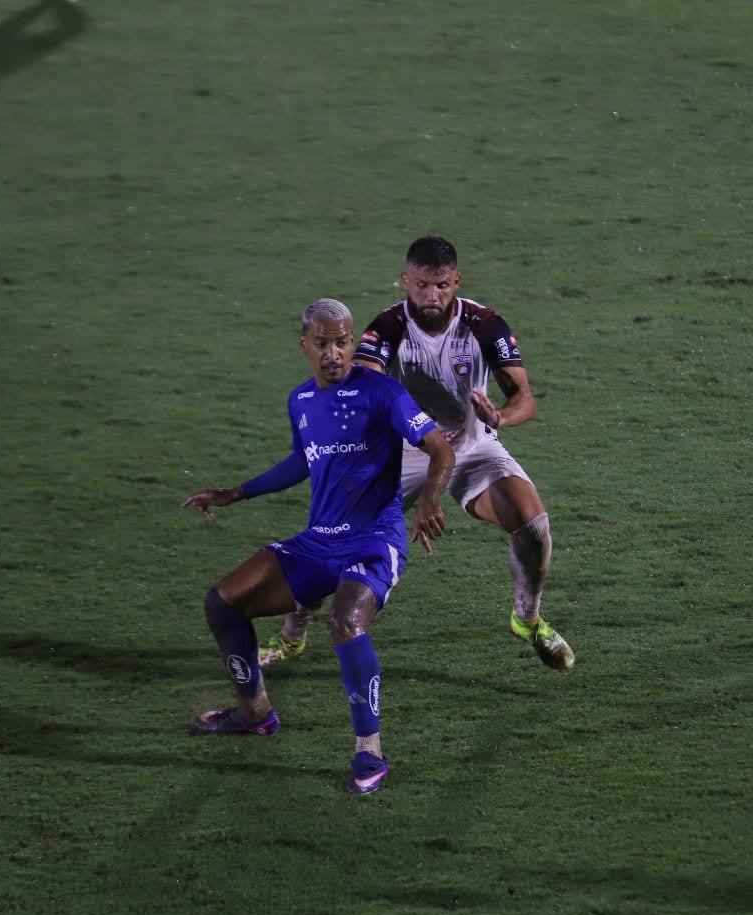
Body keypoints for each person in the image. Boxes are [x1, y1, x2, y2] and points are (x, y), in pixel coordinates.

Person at [260, 236, 574, 673]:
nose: (432, 296)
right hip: (406, 449)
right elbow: (363, 383)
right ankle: (292, 635)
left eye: (442, 285)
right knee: (335, 534)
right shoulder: (386, 328)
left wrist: (500, 417)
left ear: (457, 281)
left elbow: (525, 397)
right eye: (422, 285)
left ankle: (528, 619)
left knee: (534, 524)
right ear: (406, 280)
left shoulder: (484, 324)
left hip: (470, 445)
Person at [180, 298, 454, 795]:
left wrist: (429, 500)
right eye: (323, 343)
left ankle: (369, 753)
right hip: (318, 540)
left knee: (345, 621)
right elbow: (302, 461)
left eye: (343, 341)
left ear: (353, 342)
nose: (334, 352)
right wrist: (235, 492)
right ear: (304, 344)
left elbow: (441, 448)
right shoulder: (300, 401)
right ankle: (255, 716)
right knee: (222, 603)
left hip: (374, 538)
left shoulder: (382, 392)